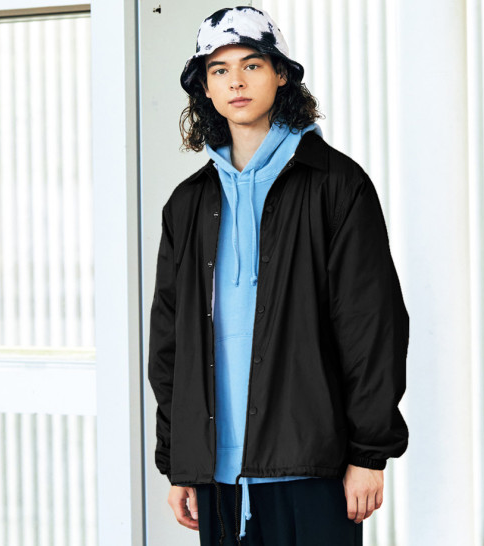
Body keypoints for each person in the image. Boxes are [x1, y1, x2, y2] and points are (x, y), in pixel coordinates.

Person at [147, 6, 410, 546]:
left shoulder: (337, 185)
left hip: (312, 464)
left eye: (252, 65)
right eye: (219, 70)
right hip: (216, 473)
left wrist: (368, 455)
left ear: (282, 74)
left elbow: (372, 326)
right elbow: (169, 341)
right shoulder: (187, 204)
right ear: (205, 88)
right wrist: (178, 459)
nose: (236, 82)